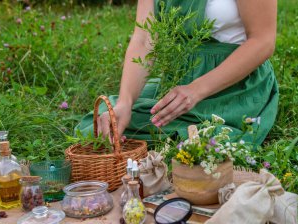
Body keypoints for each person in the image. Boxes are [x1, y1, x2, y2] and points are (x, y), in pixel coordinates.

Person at [76, 0, 278, 145]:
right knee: (104, 121)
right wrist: (125, 102)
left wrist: (196, 90)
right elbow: (145, 37)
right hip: (181, 76)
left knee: (206, 138)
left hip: (233, 83)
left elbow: (262, 41)